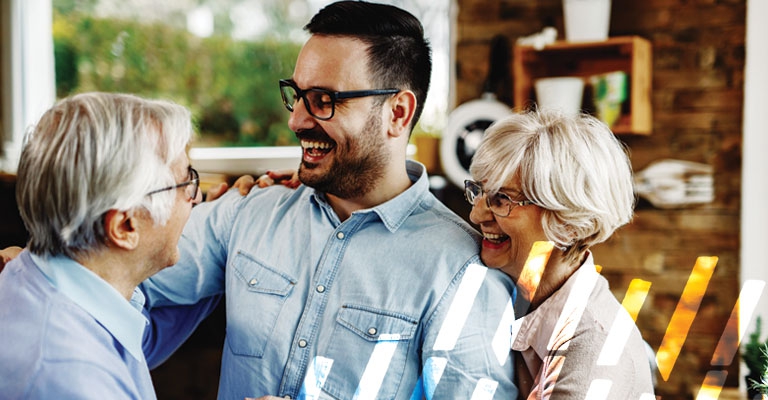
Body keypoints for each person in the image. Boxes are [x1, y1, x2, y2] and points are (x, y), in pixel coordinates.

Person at [141, 1, 517, 399]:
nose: (296, 120)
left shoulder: (460, 272)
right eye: (297, 95)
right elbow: (115, 281)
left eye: (323, 100)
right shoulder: (249, 209)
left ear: (397, 112)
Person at [0, 92, 217, 398]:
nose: (195, 197)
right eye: (186, 181)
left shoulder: (30, 276)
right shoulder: (69, 378)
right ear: (124, 226)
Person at [465, 109, 655, 398]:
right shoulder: (513, 301)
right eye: (479, 192)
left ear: (569, 222)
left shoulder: (594, 355)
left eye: (501, 199)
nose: (476, 214)